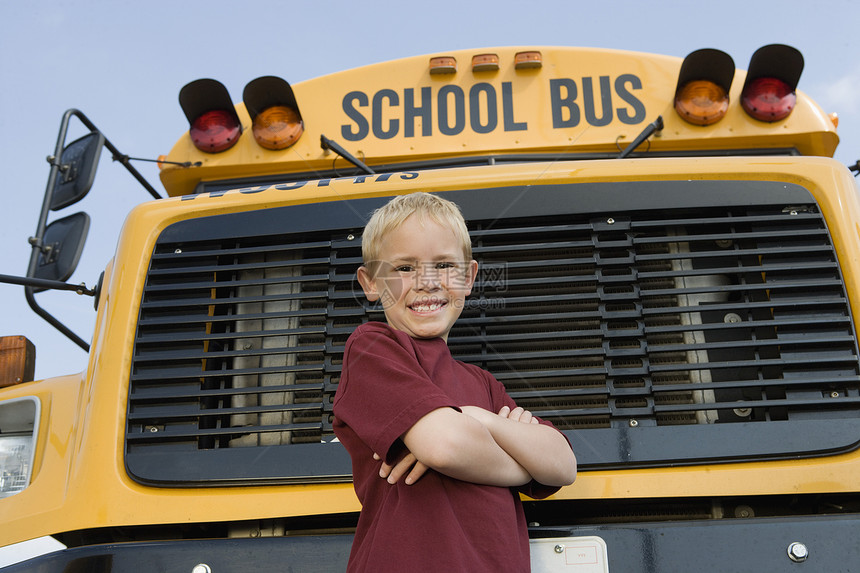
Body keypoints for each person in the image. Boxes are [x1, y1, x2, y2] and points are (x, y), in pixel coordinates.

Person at [332, 192, 577, 572]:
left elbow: (563, 465)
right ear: (370, 283)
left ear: (469, 278)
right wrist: (522, 466)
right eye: (404, 268)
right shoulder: (372, 349)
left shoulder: (482, 382)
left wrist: (480, 418)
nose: (427, 282)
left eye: (445, 265)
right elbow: (444, 446)